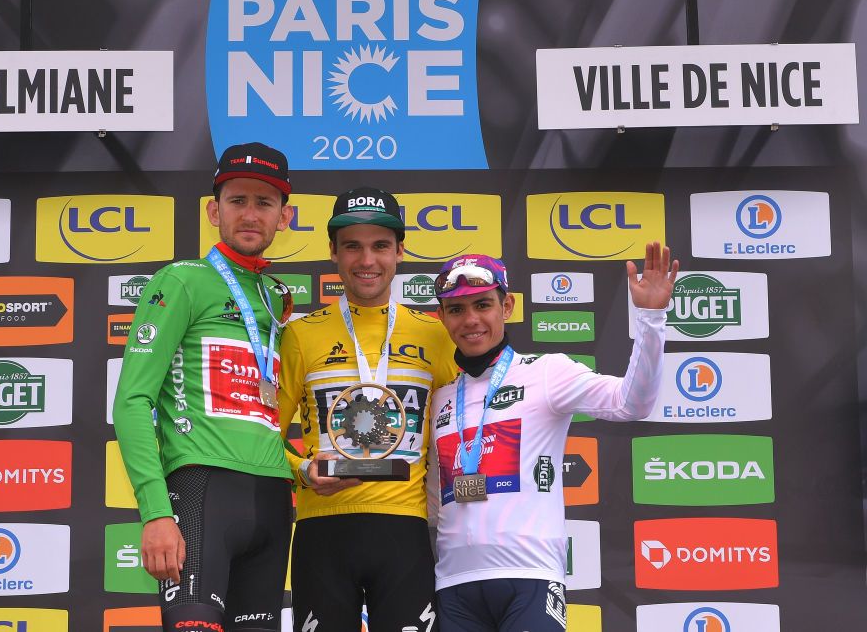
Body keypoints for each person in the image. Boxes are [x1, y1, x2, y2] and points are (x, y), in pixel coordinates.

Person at [427, 244, 678, 632]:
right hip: (454, 584)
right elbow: (432, 496)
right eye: (457, 309)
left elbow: (633, 403)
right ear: (441, 316)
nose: (471, 320)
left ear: (506, 306)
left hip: (530, 576)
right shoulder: (441, 396)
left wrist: (651, 317)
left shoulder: (547, 373)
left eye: (483, 305)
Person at [113, 142, 296, 632]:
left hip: (274, 499)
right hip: (201, 491)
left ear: (285, 217)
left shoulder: (277, 298)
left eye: (265, 202)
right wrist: (155, 511)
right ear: (214, 210)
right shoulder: (183, 281)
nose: (251, 214)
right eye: (237, 201)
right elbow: (132, 401)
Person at [277, 187, 459, 632]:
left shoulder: (437, 335)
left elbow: (462, 430)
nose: (367, 260)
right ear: (333, 253)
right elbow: (264, 434)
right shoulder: (301, 334)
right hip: (323, 530)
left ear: (400, 250)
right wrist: (302, 471)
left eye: (380, 246)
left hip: (406, 531)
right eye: (352, 246)